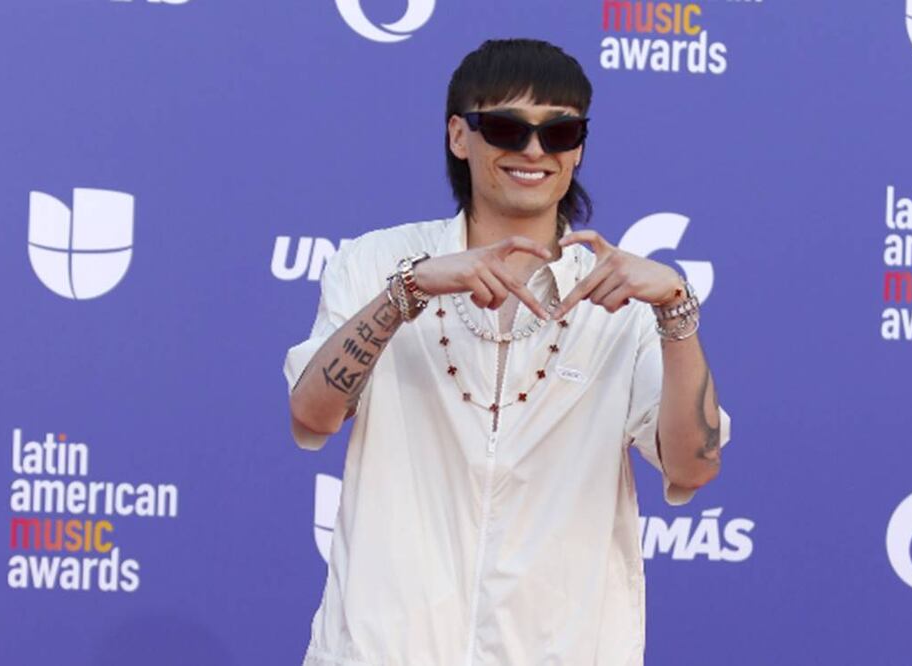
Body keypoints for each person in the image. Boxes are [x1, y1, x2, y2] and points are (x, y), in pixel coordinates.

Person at [283, 38, 731, 666]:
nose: (534, 151)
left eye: (560, 132)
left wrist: (675, 311)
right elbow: (312, 413)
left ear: (579, 148)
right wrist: (407, 292)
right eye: (506, 128)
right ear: (458, 136)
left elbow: (692, 467)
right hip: (384, 648)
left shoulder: (622, 296)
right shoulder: (377, 262)